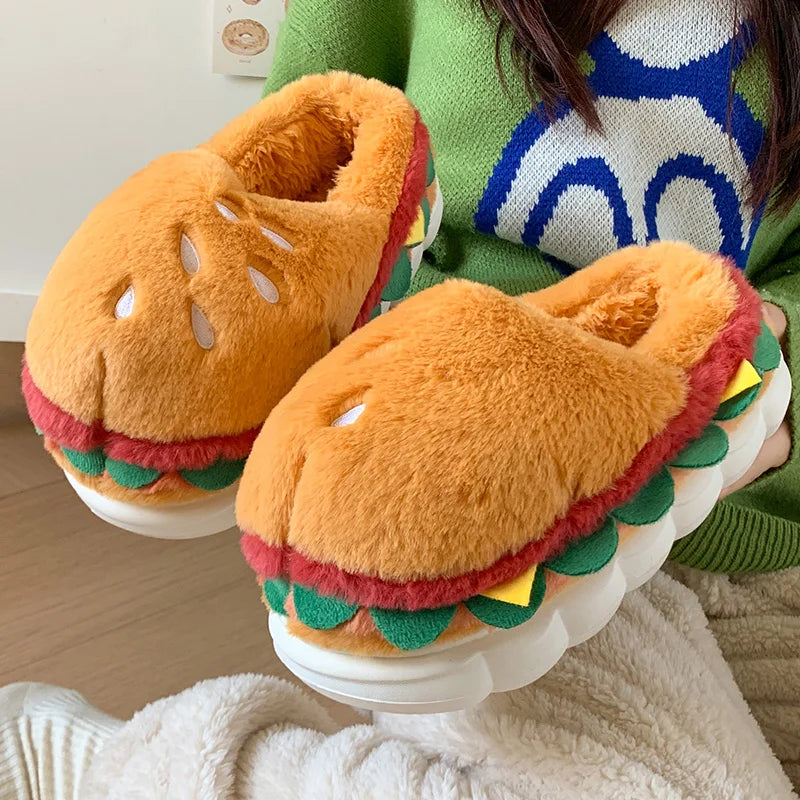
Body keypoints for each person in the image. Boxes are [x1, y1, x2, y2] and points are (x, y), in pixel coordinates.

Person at [4, 0, 800, 795]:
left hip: (763, 520)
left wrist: (776, 363)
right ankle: (92, 764)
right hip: (470, 502)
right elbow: (313, 167)